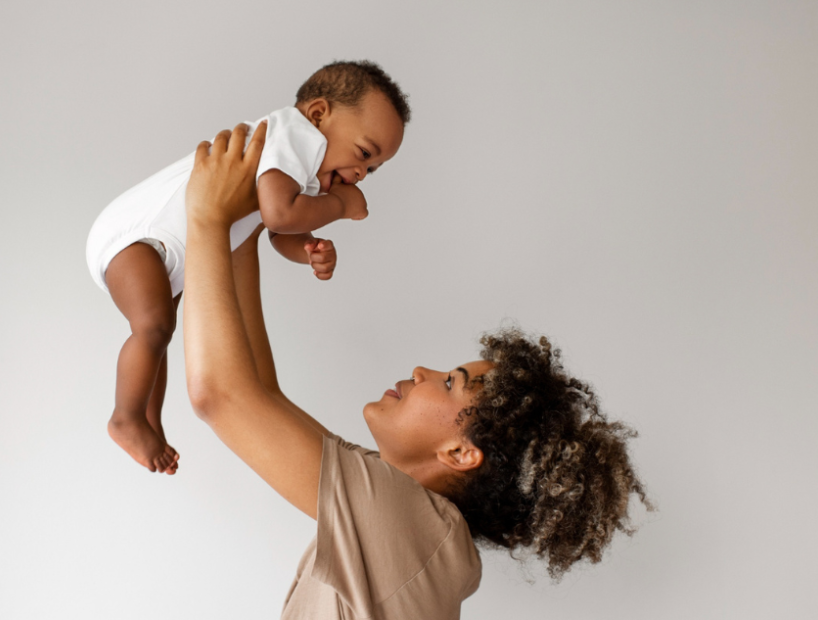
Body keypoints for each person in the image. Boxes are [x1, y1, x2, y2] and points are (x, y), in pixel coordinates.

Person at [182, 123, 651, 619]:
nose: (423, 371)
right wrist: (242, 229)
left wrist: (207, 217)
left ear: (459, 451)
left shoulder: (406, 519)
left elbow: (221, 396)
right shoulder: (409, 518)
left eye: (451, 383)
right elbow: (257, 394)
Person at [85, 61, 410, 474]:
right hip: (136, 237)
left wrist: (307, 251)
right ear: (318, 115)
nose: (362, 172)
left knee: (158, 332)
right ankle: (125, 418)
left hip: (169, 250)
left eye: (373, 169)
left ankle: (148, 422)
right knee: (153, 326)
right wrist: (341, 206)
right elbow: (278, 214)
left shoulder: (304, 173)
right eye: (364, 153)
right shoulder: (293, 136)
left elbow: (278, 233)